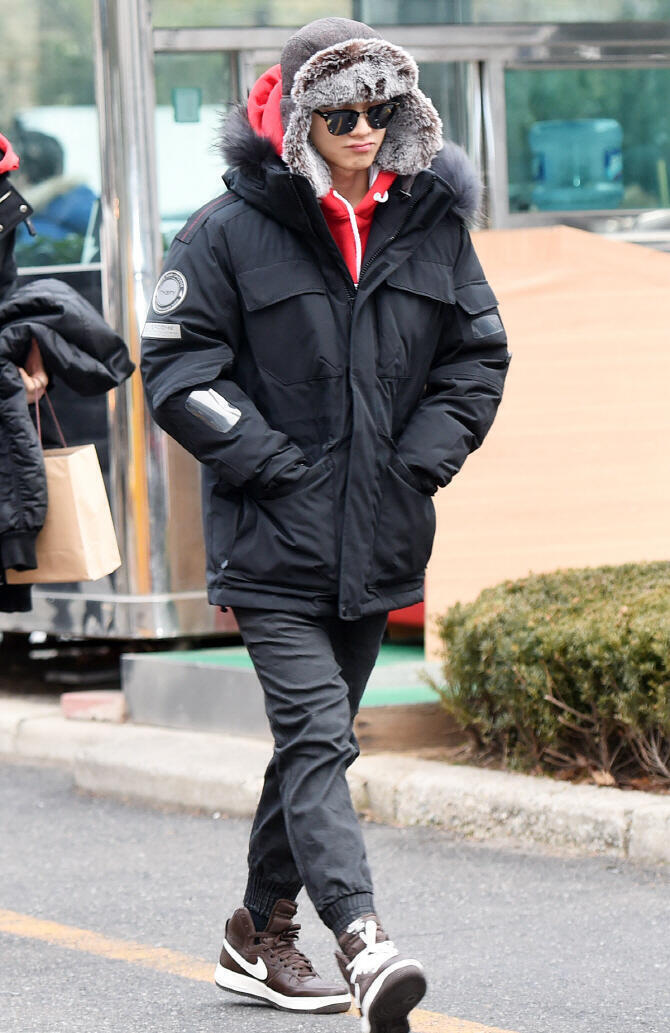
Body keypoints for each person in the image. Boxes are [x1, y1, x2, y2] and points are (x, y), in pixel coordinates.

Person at [141, 17, 510, 1033]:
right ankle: (362, 939)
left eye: (378, 108)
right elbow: (177, 369)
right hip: (271, 542)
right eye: (340, 111)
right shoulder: (226, 231)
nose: (361, 127)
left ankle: (255, 931)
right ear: (299, 115)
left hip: (379, 536)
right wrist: (275, 469)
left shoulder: (431, 223)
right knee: (316, 736)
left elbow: (477, 358)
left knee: (318, 744)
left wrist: (416, 463)